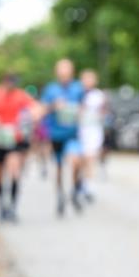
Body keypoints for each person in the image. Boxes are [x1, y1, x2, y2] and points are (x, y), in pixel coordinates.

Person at [0, 73, 38, 222]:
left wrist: (28, 119)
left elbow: (36, 110)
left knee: (14, 169)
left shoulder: (21, 95)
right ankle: (1, 206)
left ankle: (12, 207)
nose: (12, 85)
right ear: (3, 81)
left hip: (15, 139)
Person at [41, 59, 86, 216]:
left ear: (72, 71)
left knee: (76, 162)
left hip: (73, 133)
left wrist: (79, 111)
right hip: (57, 134)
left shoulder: (78, 88)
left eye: (67, 69)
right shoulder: (51, 89)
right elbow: (42, 109)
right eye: (61, 69)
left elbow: (84, 107)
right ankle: (60, 195)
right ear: (57, 72)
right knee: (59, 167)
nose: (64, 72)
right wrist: (54, 105)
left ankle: (74, 191)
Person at [78, 69, 107, 202]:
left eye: (90, 79)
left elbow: (104, 112)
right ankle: (81, 181)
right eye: (85, 79)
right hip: (79, 131)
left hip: (93, 131)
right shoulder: (78, 94)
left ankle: (88, 186)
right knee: (81, 159)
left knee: (90, 157)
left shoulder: (98, 95)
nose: (88, 81)